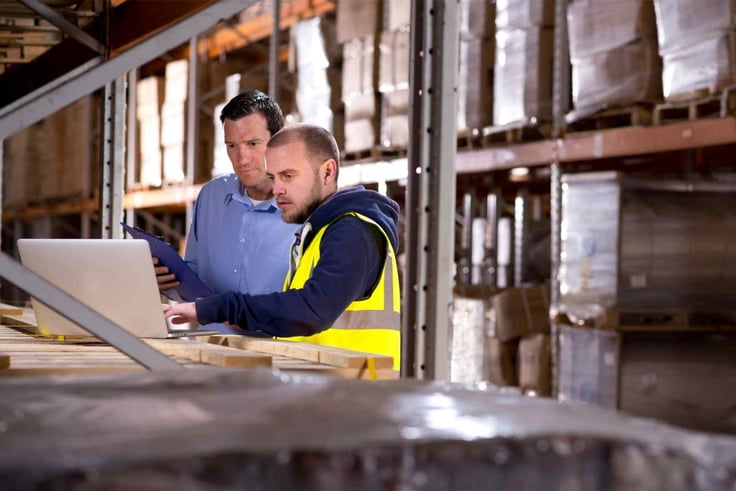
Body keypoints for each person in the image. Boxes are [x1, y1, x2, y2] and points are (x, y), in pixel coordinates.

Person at [164, 124, 402, 369]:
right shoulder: (318, 234)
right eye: (273, 177)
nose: (276, 189)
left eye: (288, 176)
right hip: (331, 390)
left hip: (359, 395)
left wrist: (221, 308)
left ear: (328, 173)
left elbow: (311, 309)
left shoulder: (352, 232)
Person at [155, 90, 298, 332]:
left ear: (278, 141)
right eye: (232, 146)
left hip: (278, 358)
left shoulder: (302, 207)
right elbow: (194, 279)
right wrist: (166, 279)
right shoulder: (211, 196)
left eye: (252, 144)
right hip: (211, 351)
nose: (241, 158)